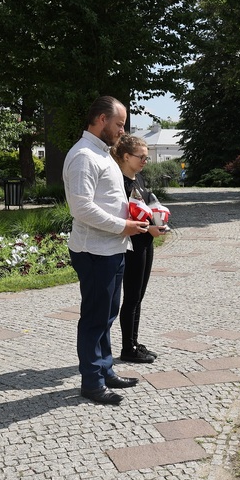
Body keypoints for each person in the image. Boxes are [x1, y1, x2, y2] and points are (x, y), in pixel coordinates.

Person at [63, 95, 149, 405]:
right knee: (94, 318)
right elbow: (82, 208)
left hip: (112, 248)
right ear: (101, 120)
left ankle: (105, 369)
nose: (122, 132)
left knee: (108, 315)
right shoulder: (84, 155)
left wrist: (133, 213)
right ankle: (92, 382)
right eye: (119, 124)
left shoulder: (101, 153)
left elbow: (108, 199)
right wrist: (122, 226)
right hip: (95, 251)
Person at [112, 135, 168, 364]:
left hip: (145, 243)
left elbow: (146, 209)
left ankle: (134, 342)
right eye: (141, 156)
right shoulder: (119, 184)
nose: (145, 160)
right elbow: (124, 217)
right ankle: (128, 347)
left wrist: (158, 224)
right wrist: (149, 230)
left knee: (139, 297)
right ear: (126, 157)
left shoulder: (139, 179)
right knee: (132, 296)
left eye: (146, 157)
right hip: (131, 245)